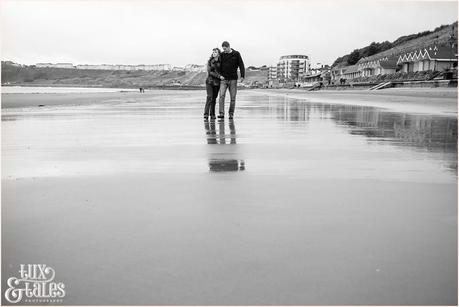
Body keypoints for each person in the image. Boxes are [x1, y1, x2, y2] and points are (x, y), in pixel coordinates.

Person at [218, 41, 245, 120]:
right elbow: (218, 65)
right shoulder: (222, 54)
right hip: (223, 79)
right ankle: (221, 113)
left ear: (229, 46)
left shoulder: (236, 54)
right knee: (221, 96)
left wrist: (242, 76)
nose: (224, 50)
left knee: (233, 98)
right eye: (223, 49)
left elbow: (241, 65)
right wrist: (220, 75)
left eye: (225, 49)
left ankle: (231, 114)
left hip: (233, 79)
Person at [204, 48, 224, 119]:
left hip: (217, 83)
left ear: (218, 53)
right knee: (209, 96)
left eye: (215, 52)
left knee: (214, 98)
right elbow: (210, 72)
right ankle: (206, 114)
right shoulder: (210, 61)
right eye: (213, 52)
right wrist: (219, 76)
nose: (214, 53)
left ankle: (212, 114)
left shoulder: (221, 62)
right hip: (209, 81)